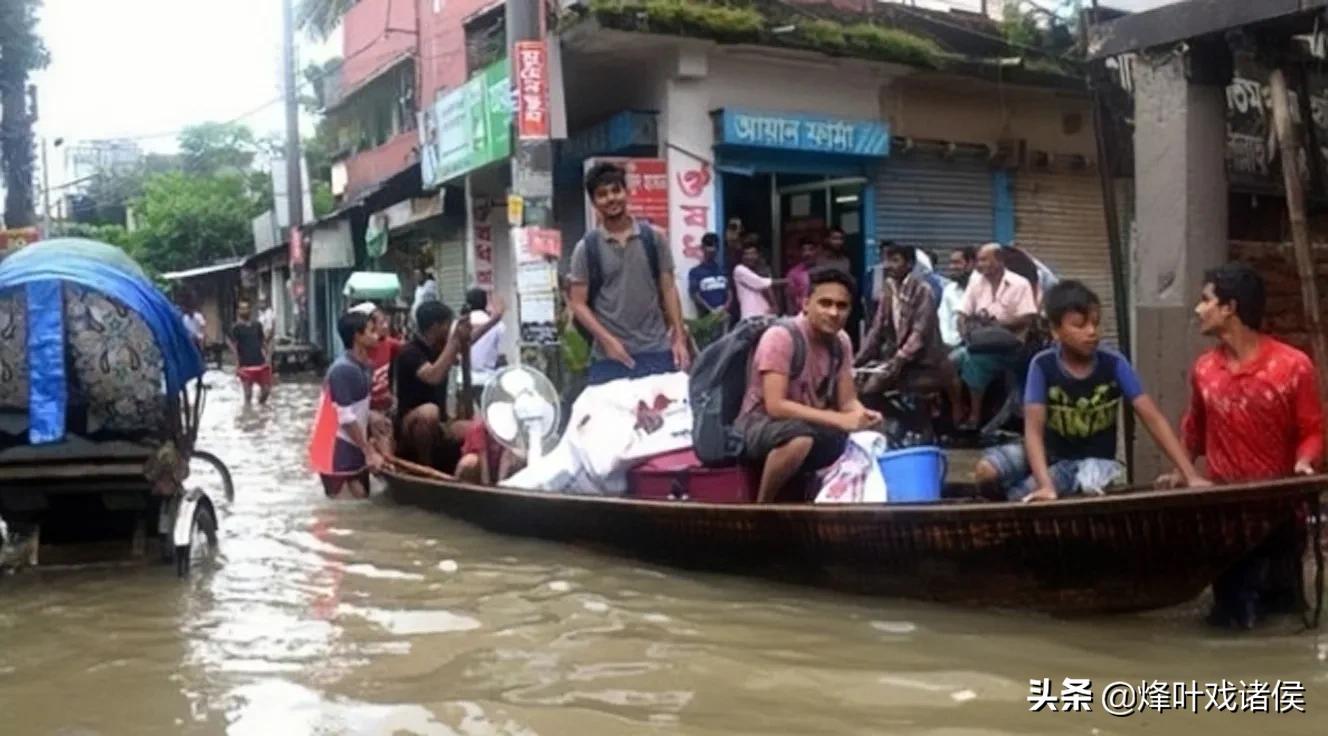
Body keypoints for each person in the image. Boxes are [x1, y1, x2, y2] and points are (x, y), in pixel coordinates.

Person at [1163, 263, 1323, 628]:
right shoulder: (1205, 370)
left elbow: (1313, 431)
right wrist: (1180, 472)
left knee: (1287, 619)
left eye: (1206, 300)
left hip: (1281, 515)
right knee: (1233, 620)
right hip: (1226, 520)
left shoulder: (1293, 367)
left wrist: (1304, 463)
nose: (1198, 309)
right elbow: (1194, 432)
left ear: (1229, 308)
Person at [976, 280, 1207, 502]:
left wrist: (1191, 475)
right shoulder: (1043, 365)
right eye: (1079, 325)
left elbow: (1153, 419)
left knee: (1020, 496)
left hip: (1091, 463)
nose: (1091, 332)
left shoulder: (1113, 363)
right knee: (985, 472)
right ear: (1056, 331)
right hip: (1050, 451)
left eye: (1095, 324)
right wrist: (1045, 485)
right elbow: (1033, 433)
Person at [737, 268, 882, 502]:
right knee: (800, 438)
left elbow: (847, 401)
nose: (833, 312)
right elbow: (775, 406)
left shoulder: (841, 342)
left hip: (808, 424)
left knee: (859, 440)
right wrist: (839, 420)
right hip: (759, 424)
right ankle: (763, 506)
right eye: (825, 303)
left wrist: (863, 416)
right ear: (806, 304)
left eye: (841, 306)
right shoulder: (781, 337)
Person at [568, 162, 690, 385]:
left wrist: (679, 340)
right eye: (602, 194)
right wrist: (607, 341)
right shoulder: (586, 248)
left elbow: (669, 288)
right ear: (594, 202)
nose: (611, 198)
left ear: (627, 192)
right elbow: (577, 303)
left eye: (616, 190)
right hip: (609, 357)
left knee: (664, 417)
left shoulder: (654, 239)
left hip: (656, 351)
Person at [393, 301, 500, 472]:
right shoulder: (410, 352)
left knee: (478, 429)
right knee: (430, 412)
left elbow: (467, 341)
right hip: (410, 426)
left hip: (442, 424)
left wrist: (494, 320)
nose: (450, 329)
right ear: (435, 326)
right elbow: (434, 375)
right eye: (447, 325)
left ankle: (475, 474)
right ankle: (425, 468)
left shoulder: (440, 348)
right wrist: (455, 340)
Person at [950, 243, 1039, 429]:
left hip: (1010, 345)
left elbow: (1028, 317)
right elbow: (962, 312)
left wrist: (997, 324)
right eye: (978, 260)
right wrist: (963, 328)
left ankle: (975, 417)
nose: (979, 264)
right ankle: (958, 409)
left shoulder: (1019, 284)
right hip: (981, 341)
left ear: (998, 260)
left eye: (984, 260)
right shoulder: (976, 282)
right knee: (950, 361)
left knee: (973, 361)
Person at [856, 243, 953, 397]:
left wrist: (899, 358)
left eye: (895, 260)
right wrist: (858, 359)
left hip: (923, 362)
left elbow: (919, 333)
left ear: (909, 264)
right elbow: (876, 328)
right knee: (862, 388)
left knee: (873, 390)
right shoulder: (888, 287)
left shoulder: (922, 289)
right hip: (897, 357)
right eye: (886, 260)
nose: (887, 265)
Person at [319, 310, 384, 500]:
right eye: (371, 331)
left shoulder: (362, 367)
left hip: (353, 447)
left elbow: (356, 409)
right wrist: (369, 451)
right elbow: (345, 417)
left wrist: (371, 419)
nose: (377, 335)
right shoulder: (343, 370)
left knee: (360, 504)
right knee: (351, 507)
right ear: (358, 336)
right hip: (337, 452)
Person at [229, 300, 271, 406]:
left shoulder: (257, 325)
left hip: (260, 363)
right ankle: (248, 414)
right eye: (242, 308)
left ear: (250, 310)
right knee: (248, 395)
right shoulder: (236, 328)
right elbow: (234, 346)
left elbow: (263, 342)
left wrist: (268, 357)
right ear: (239, 311)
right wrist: (237, 364)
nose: (244, 310)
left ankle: (261, 410)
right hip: (245, 365)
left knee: (266, 391)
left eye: (246, 308)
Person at [465, 288, 507, 388]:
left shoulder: (460, 324)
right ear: (485, 303)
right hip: (487, 379)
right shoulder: (497, 325)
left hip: (464, 378)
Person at [733, 242, 781, 320]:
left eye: (753, 253)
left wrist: (775, 305)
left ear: (758, 255)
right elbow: (761, 283)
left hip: (766, 315)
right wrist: (787, 281)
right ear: (742, 257)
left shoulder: (761, 270)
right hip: (750, 317)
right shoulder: (739, 269)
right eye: (746, 254)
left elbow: (768, 289)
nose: (750, 257)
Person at [687, 233, 729, 316]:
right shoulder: (695, 272)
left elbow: (729, 292)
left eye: (715, 246)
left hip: (724, 316)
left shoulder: (723, 270)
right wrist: (711, 310)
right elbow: (695, 295)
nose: (712, 249)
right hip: (706, 319)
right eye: (709, 246)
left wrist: (725, 307)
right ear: (702, 248)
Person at [784, 238, 818, 315]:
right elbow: (790, 299)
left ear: (816, 251)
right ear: (800, 252)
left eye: (811, 250)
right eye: (804, 250)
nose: (807, 253)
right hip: (801, 315)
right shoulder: (793, 273)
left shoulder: (825, 271)